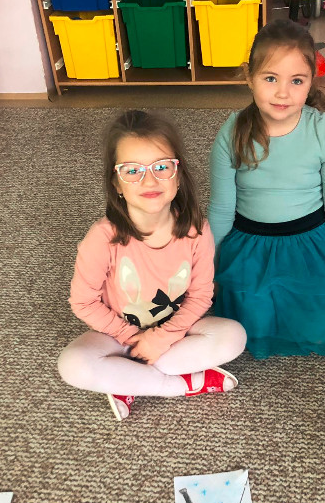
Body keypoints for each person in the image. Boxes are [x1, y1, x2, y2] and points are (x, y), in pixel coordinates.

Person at [57, 110, 247, 421]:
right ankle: (178, 385)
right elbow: (83, 302)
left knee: (234, 336)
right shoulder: (102, 239)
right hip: (119, 337)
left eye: (161, 167)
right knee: (72, 364)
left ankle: (127, 380)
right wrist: (134, 338)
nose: (149, 180)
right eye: (132, 170)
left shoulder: (197, 229)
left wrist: (159, 339)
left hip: (177, 332)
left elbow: (201, 296)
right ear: (117, 184)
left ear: (178, 175)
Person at [208, 19, 325, 359]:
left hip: (308, 243)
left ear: (311, 81)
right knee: (247, 319)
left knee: (323, 321)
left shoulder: (323, 131)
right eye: (270, 78)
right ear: (249, 77)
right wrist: (209, 271)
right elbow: (221, 209)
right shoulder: (232, 132)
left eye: (296, 80)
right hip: (250, 245)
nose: (283, 93)